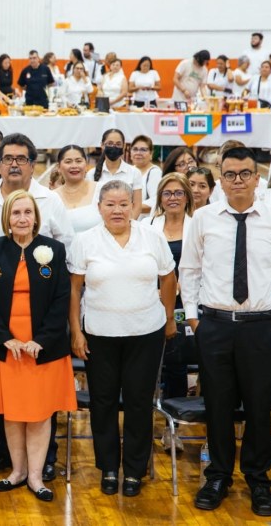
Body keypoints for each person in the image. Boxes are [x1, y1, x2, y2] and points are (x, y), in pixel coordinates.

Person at [180, 146, 271, 517]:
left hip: (261, 327)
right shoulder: (203, 218)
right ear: (220, 176)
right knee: (216, 405)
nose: (237, 180)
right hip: (214, 325)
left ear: (257, 177)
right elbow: (189, 271)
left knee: (258, 406)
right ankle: (217, 476)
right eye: (229, 174)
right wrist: (194, 320)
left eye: (244, 174)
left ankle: (258, 480)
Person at [70, 180, 177, 497]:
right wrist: (76, 331)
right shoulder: (85, 241)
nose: (117, 210)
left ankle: (134, 471)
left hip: (146, 332)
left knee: (138, 403)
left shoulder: (152, 237)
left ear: (133, 207)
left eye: (123, 204)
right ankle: (108, 470)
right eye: (110, 204)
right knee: (102, 404)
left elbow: (168, 278)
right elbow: (75, 289)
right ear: (99, 207)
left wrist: (168, 316)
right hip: (99, 334)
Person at [0, 189, 76, 502]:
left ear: (36, 217)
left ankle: (36, 476)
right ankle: (17, 472)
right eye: (16, 213)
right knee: (13, 413)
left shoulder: (54, 250)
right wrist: (4, 338)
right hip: (6, 347)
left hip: (41, 349)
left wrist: (40, 340)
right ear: (7, 218)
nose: (22, 218)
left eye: (27, 212)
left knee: (39, 414)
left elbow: (62, 299)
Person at [145, 173, 194, 452]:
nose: (173, 198)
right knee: (148, 366)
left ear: (187, 197)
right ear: (160, 198)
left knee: (177, 365)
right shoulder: (148, 225)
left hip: (183, 305)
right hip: (150, 302)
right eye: (167, 193)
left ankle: (171, 430)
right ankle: (143, 425)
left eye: (178, 193)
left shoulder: (197, 225)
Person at [0, 133, 73, 245]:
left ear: (32, 166)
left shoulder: (51, 200)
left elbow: (67, 245)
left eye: (21, 159)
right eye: (8, 159)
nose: (14, 165)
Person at [87, 129, 143, 218]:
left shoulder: (134, 172)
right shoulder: (91, 174)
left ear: (124, 146)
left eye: (118, 144)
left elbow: (137, 206)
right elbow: (90, 205)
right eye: (110, 143)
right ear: (102, 145)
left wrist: (127, 224)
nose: (114, 147)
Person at [54, 145, 102, 234]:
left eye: (78, 161)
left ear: (86, 165)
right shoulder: (51, 197)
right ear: (59, 167)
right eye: (68, 162)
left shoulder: (101, 190)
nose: (74, 166)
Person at [129, 135, 162, 213]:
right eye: (135, 149)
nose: (138, 153)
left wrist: (128, 207)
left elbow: (155, 201)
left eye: (143, 150)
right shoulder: (129, 171)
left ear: (151, 154)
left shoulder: (155, 172)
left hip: (144, 222)